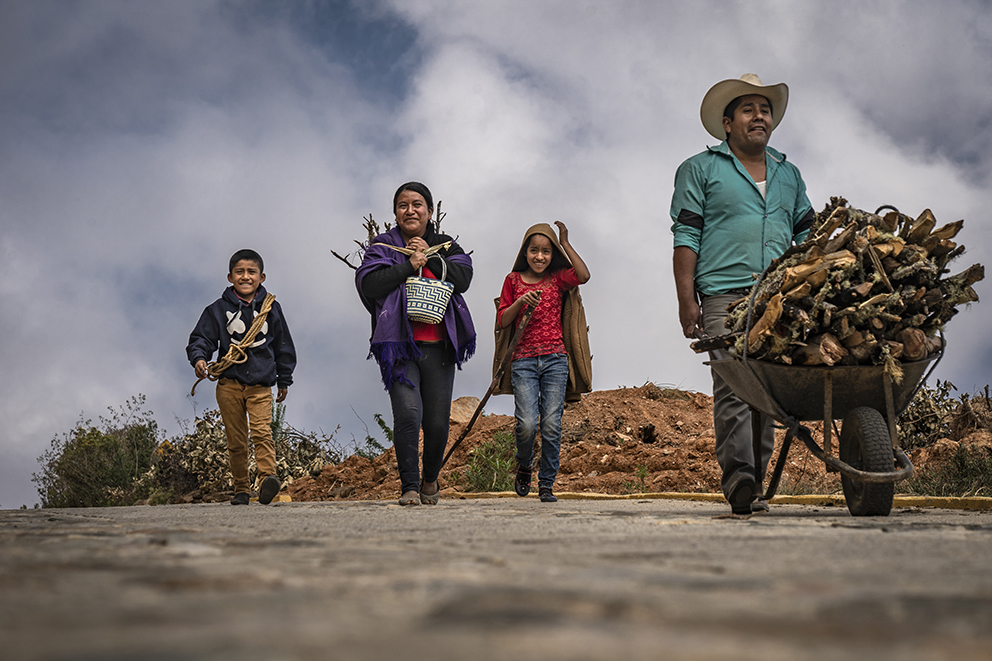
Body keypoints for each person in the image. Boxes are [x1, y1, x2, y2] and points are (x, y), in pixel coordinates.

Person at [670, 74, 815, 515]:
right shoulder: (701, 168)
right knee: (733, 386)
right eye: (749, 109)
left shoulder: (789, 174)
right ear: (728, 123)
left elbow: (809, 236)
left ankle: (754, 478)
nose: (760, 116)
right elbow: (686, 235)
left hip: (776, 298)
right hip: (722, 295)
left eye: (765, 109)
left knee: (767, 390)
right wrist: (686, 299)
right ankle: (740, 482)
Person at [356, 182, 476, 506]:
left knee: (436, 424)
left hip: (439, 347)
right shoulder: (383, 246)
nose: (410, 210)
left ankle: (430, 479)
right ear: (395, 212)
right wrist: (408, 264)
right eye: (403, 205)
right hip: (400, 347)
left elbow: (463, 278)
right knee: (408, 414)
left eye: (417, 204)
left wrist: (429, 257)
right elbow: (369, 283)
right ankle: (409, 485)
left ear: (430, 211)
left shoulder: (446, 245)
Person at [186, 249, 297, 505]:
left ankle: (269, 480)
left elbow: (283, 345)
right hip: (229, 385)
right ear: (230, 276)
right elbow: (201, 339)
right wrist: (199, 359)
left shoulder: (271, 308)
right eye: (239, 272)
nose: (245, 277)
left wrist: (284, 379)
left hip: (260, 385)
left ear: (262, 277)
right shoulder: (216, 309)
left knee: (262, 434)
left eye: (251, 272)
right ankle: (241, 490)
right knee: (236, 440)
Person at [497, 222, 590, 503]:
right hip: (523, 362)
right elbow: (502, 320)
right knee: (526, 424)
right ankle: (525, 464)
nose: (540, 256)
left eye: (547, 251)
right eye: (534, 250)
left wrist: (565, 242)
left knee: (551, 424)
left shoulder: (557, 279)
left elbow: (583, 275)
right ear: (525, 252)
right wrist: (521, 301)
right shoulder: (512, 281)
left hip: (555, 360)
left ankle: (546, 483)